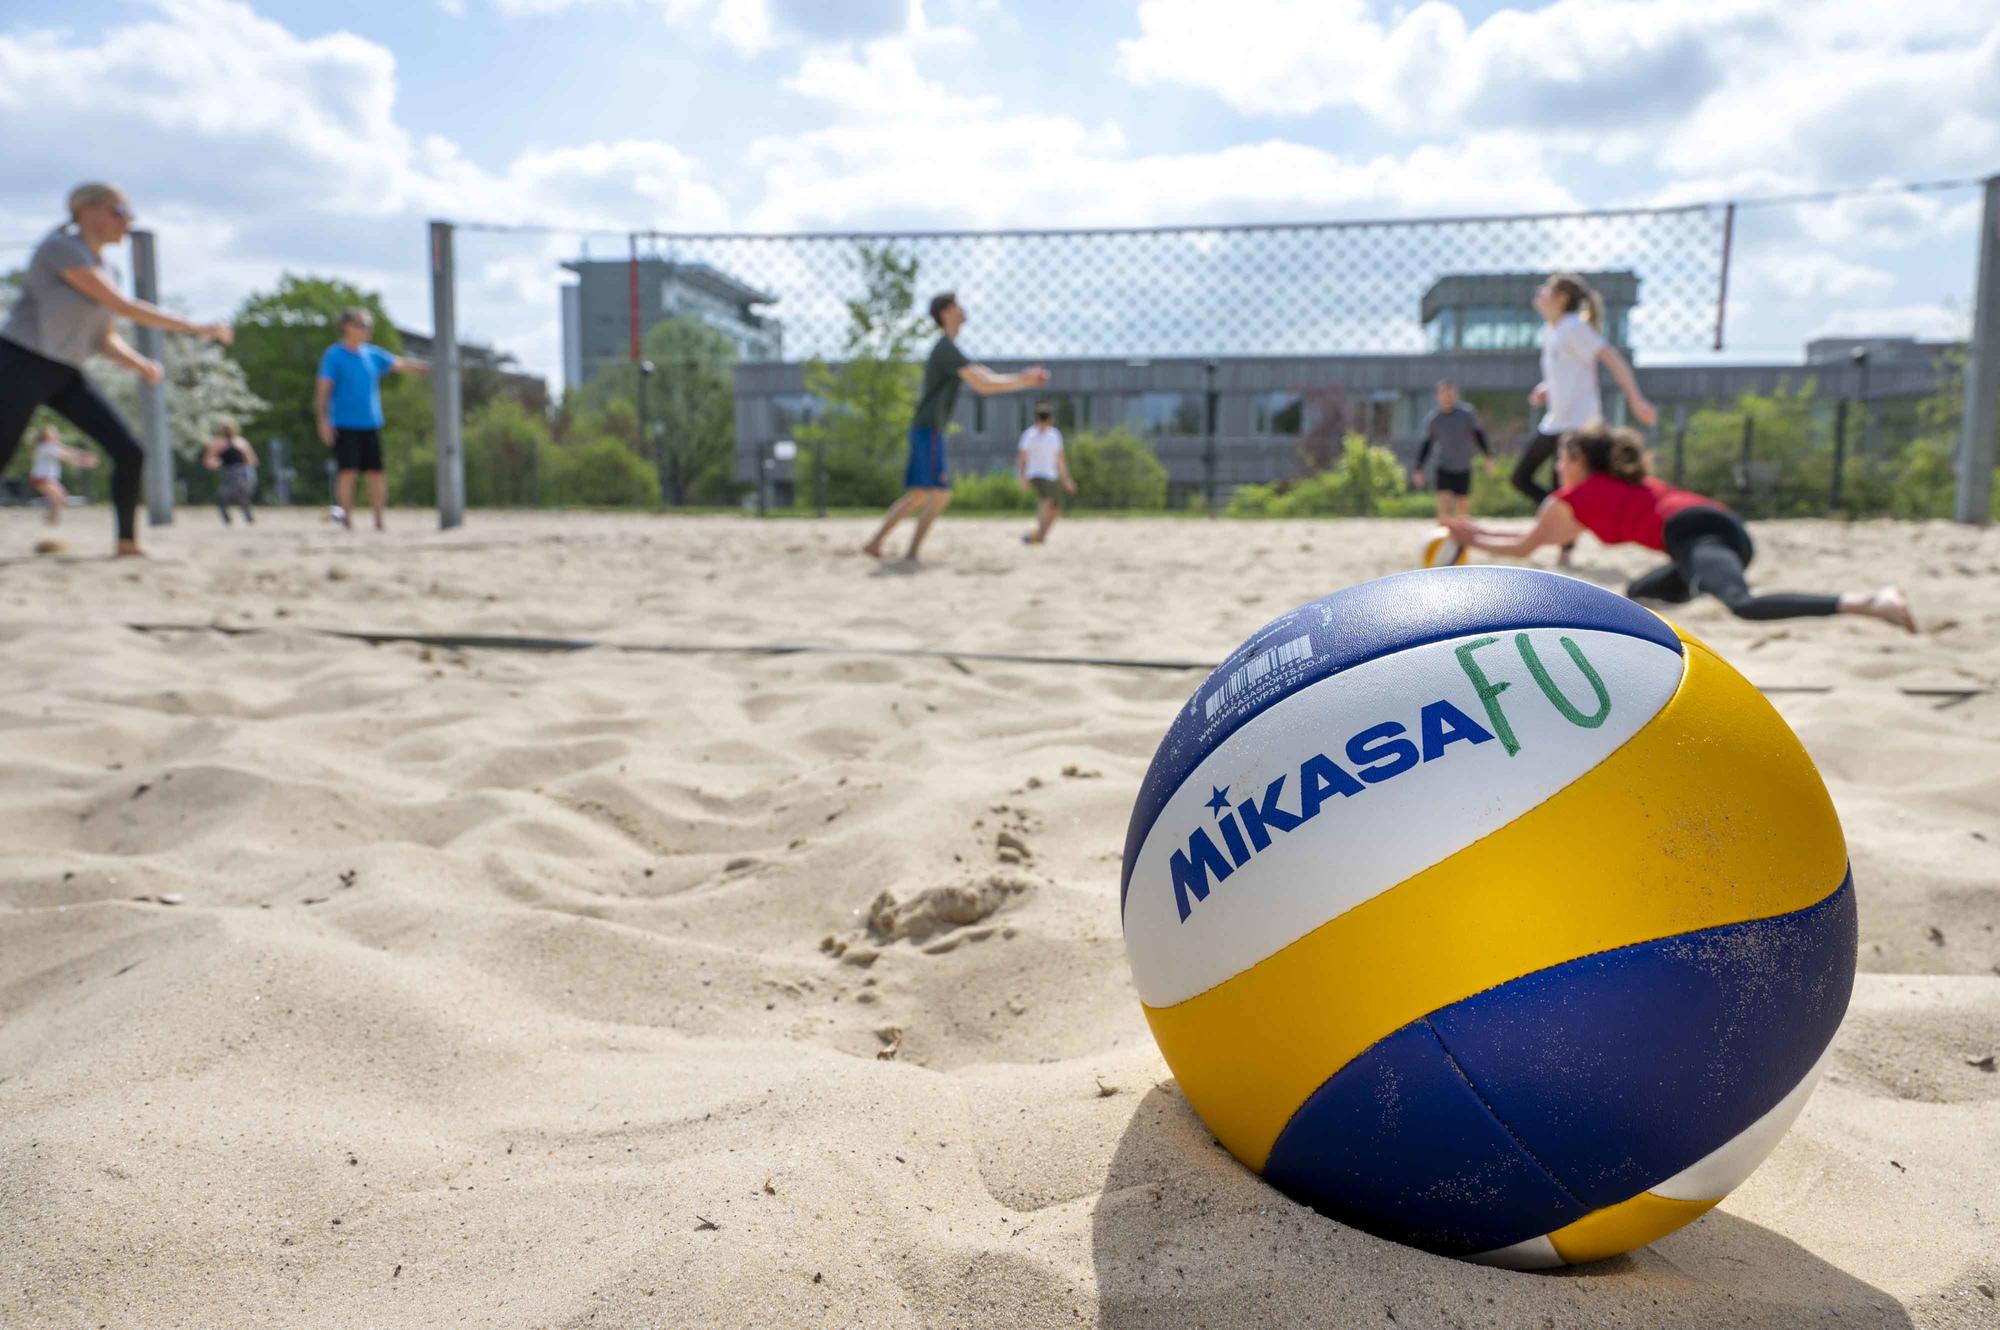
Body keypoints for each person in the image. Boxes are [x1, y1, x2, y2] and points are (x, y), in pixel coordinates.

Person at [1447, 424, 1915, 631]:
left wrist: (1474, 536)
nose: (1558, 466)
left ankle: (1868, 602)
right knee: (1637, 597)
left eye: (1563, 458)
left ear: (1579, 462)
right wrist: (1477, 534)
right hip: (1698, 536)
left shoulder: (1571, 497)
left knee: (1743, 606)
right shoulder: (1597, 490)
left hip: (1699, 533)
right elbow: (1529, 541)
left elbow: (1525, 547)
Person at [0, 182, 232, 556]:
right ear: (88, 211)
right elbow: (121, 306)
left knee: (129, 451)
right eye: (121, 211)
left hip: (64, 373)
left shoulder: (109, 269)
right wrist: (195, 327)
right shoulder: (61, 248)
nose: (129, 221)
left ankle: (127, 542)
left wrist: (140, 364)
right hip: (18, 362)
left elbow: (104, 337)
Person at [862, 292, 1048, 562]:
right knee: (938, 494)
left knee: (920, 495)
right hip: (928, 430)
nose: (963, 309)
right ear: (946, 313)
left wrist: (1023, 378)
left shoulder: (949, 349)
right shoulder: (945, 349)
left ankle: (878, 543)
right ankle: (909, 552)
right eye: (958, 306)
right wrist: (1024, 380)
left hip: (927, 429)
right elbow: (983, 384)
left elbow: (984, 376)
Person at [1512, 274, 1656, 565]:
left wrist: (1636, 399)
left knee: (1563, 486)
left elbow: (1611, 358)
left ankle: (1565, 550)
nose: (1539, 292)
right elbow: (1567, 372)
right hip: (1556, 420)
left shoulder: (1573, 327)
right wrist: (1545, 388)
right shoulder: (1552, 331)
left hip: (1579, 424)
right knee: (1522, 477)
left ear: (1562, 298)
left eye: (1546, 289)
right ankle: (1570, 521)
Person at [315, 307, 427, 531]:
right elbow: (323, 391)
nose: (367, 330)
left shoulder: (372, 354)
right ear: (347, 326)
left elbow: (400, 364)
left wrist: (431, 367)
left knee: (376, 473)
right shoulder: (334, 355)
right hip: (344, 424)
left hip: (371, 423)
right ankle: (347, 520)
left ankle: (379, 520)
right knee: (348, 472)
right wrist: (323, 420)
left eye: (368, 326)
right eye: (362, 325)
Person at [1411, 380, 1491, 522]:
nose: (1447, 397)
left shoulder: (1467, 414)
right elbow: (1427, 444)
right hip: (1443, 466)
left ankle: (1460, 541)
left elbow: (1478, 435)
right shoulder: (1434, 419)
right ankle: (1443, 538)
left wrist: (1488, 457)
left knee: (1462, 508)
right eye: (1444, 394)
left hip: (1463, 466)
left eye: (1450, 394)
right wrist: (1419, 468)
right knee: (1444, 505)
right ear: (1438, 396)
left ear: (1456, 395)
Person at [1017, 404, 1076, 544]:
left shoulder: (1054, 435)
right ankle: (1039, 535)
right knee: (1046, 501)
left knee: (1057, 508)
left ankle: (1039, 535)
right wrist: (1022, 477)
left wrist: (1067, 479)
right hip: (1035, 474)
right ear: (1037, 420)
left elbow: (1060, 460)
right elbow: (1022, 458)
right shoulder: (1029, 435)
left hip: (1051, 475)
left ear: (1050, 420)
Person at [26, 424, 98, 526]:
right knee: (59, 498)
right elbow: (66, 455)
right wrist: (83, 459)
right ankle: (52, 520)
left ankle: (50, 519)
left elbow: (66, 451)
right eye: (53, 434)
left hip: (46, 478)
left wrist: (82, 458)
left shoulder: (49, 446)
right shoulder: (46, 447)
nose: (56, 435)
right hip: (42, 478)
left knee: (61, 498)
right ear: (47, 437)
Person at [202, 419, 258, 525]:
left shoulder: (239, 442)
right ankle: (234, 518)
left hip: (239, 472)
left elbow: (252, 460)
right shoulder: (221, 443)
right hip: (233, 472)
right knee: (229, 496)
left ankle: (244, 518)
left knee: (235, 496)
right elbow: (208, 461)